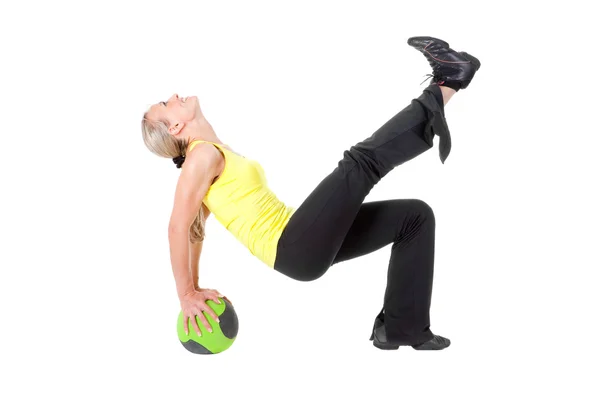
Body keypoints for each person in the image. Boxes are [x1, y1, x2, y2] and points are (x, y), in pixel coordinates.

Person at [141, 36, 480, 351]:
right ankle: (446, 83)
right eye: (164, 104)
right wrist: (186, 294)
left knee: (414, 218)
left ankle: (402, 328)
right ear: (175, 128)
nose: (172, 96)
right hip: (293, 246)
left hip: (300, 240)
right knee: (360, 163)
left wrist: (196, 285)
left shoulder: (210, 153)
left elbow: (194, 228)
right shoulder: (201, 156)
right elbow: (177, 227)